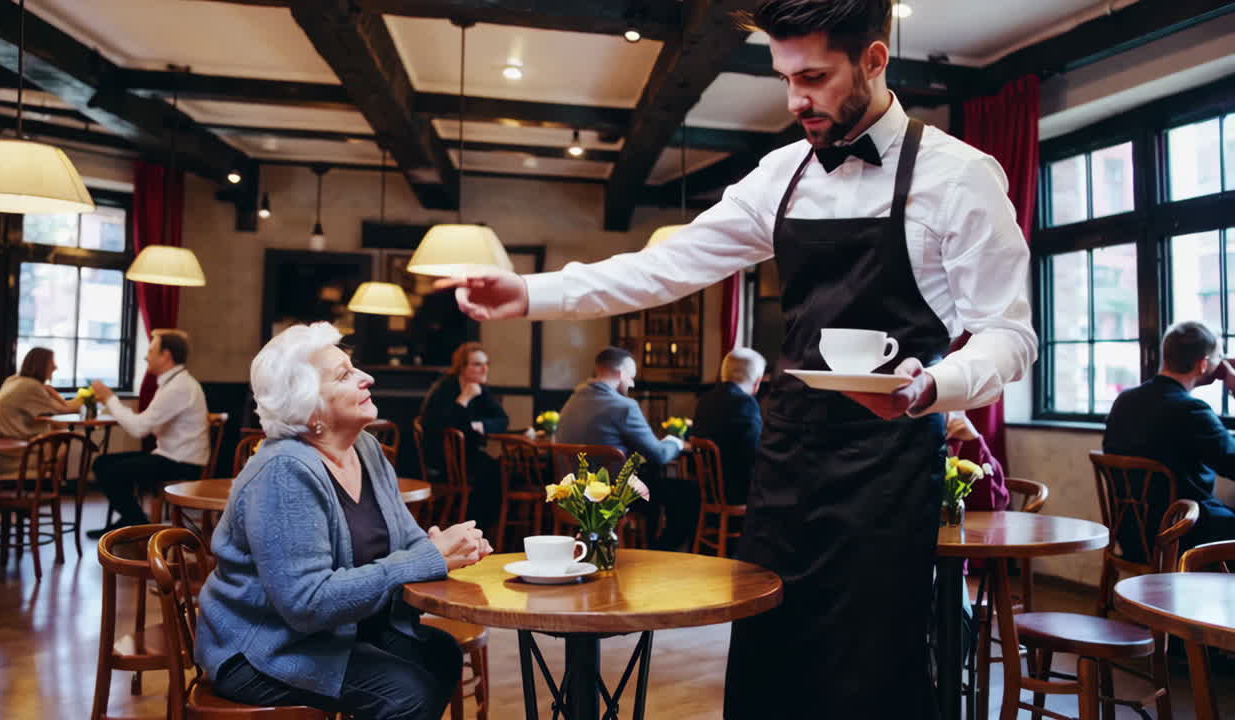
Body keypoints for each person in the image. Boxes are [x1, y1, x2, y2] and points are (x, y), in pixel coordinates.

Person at [434, 1, 1037, 715]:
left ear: (875, 60)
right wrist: (527, 292)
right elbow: (664, 268)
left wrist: (934, 384)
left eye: (813, 77)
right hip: (786, 457)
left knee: (870, 666)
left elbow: (1010, 335)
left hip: (890, 462)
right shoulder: (781, 173)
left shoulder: (960, 175)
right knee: (767, 656)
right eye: (784, 78)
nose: (794, 100)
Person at [197, 322, 491, 719]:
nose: (367, 378)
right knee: (407, 693)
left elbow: (407, 540)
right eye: (345, 374)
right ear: (309, 405)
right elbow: (307, 603)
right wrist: (425, 558)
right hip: (264, 647)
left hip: (338, 632)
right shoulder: (285, 470)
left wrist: (444, 548)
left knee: (440, 655)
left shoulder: (366, 448)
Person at [1104, 320, 1235, 558]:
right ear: (1203, 364)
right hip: (1182, 533)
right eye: (1220, 357)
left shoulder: (1124, 401)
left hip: (1132, 533)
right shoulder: (1191, 410)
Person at [554, 347, 700, 551]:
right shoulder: (624, 406)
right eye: (631, 377)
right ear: (621, 374)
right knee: (689, 492)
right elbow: (658, 455)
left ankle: (650, 549)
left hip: (572, 494)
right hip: (610, 496)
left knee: (655, 489)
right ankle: (662, 553)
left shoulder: (573, 400)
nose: (632, 383)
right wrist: (675, 441)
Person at [85, 329, 210, 537]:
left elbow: (139, 429)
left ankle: (139, 525)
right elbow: (144, 424)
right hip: (170, 456)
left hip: (183, 463)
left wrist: (109, 398)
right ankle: (132, 520)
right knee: (103, 463)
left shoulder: (178, 387)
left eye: (151, 350)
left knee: (110, 471)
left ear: (166, 355)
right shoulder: (173, 382)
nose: (146, 356)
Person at [418, 342, 509, 529]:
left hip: (467, 455)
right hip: (444, 458)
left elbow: (502, 420)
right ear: (462, 367)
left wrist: (481, 424)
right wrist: (464, 400)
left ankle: (490, 529)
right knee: (492, 472)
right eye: (477, 364)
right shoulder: (446, 387)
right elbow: (439, 425)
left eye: (486, 363)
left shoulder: (481, 389)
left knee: (501, 468)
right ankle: (476, 527)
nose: (484, 368)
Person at [0, 347, 84, 474]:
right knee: (63, 444)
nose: (55, 367)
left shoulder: (13, 380)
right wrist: (94, 396)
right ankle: (51, 487)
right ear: (41, 365)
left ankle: (49, 486)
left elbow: (58, 407)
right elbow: (65, 410)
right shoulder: (31, 386)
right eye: (51, 363)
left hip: (0, 447)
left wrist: (51, 392)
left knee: (58, 429)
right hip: (15, 452)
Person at [691, 348, 767, 506]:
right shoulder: (745, 403)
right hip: (737, 493)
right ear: (758, 381)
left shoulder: (705, 400)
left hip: (707, 491)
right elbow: (754, 452)